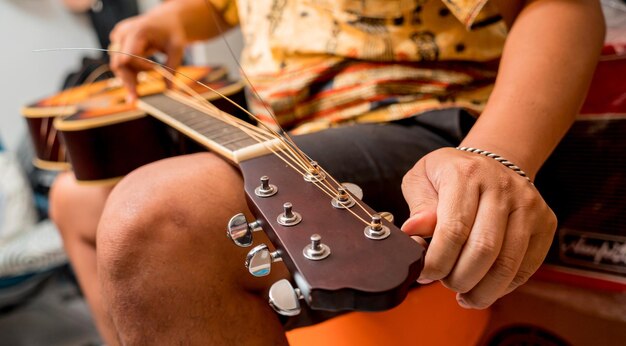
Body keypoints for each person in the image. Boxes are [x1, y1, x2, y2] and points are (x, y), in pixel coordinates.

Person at [50, 0, 605, 344]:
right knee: (75, 199)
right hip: (288, 136)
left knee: (159, 217)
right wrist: (173, 18)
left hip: (420, 120)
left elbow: (558, 6)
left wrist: (496, 155)